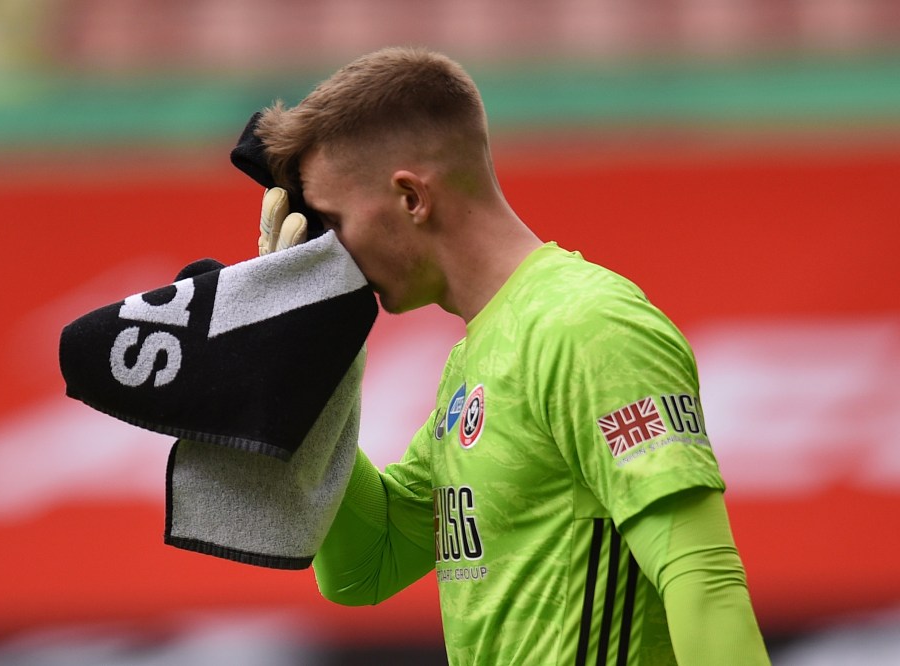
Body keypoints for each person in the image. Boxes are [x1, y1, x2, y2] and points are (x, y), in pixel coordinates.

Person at [252, 46, 771, 665]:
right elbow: (368, 564)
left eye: (333, 223)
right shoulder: (477, 355)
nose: (328, 254)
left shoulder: (587, 325)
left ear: (412, 197)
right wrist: (306, 370)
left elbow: (701, 575)